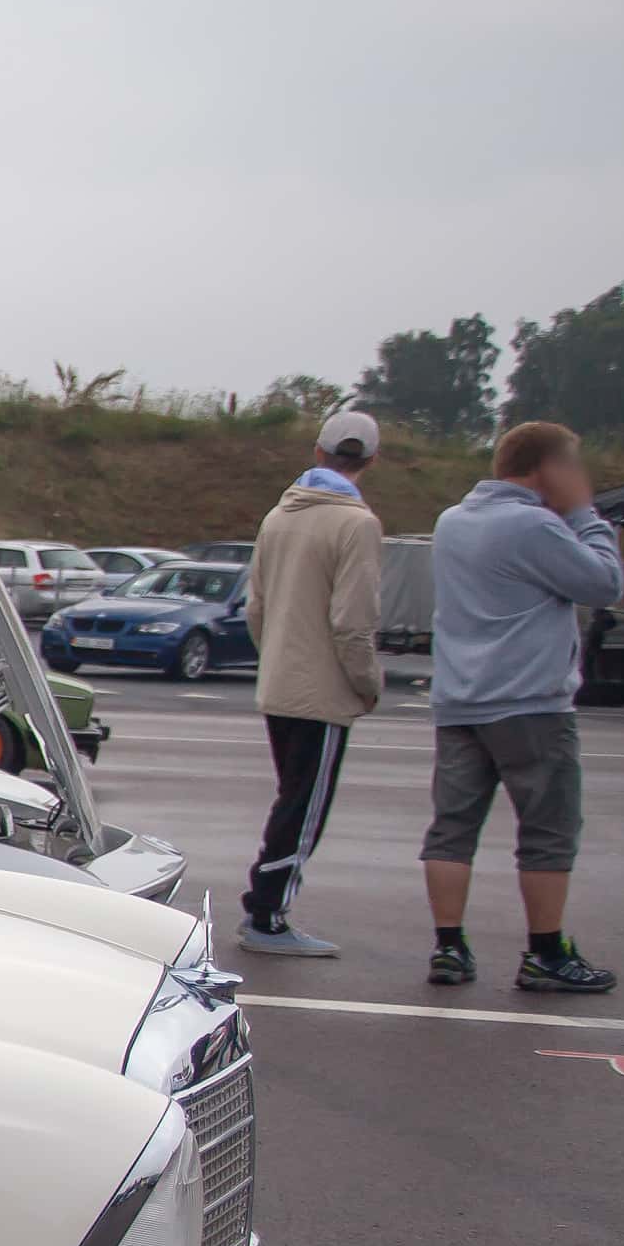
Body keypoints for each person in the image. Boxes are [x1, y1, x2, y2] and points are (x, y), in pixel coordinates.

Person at [422, 419, 623, 992]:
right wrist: (584, 515)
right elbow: (605, 583)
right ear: (546, 469)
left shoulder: (452, 521)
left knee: (452, 828)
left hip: (460, 701)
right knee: (549, 830)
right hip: (530, 703)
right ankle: (546, 953)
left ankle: (450, 948)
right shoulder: (534, 526)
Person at [234, 408, 387, 956]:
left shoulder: (279, 516)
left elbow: (257, 608)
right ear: (369, 461)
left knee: (290, 798)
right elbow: (352, 623)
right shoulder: (358, 524)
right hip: (323, 690)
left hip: (279, 680)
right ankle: (267, 912)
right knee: (304, 808)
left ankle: (265, 907)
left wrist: (274, 655)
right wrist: (367, 683)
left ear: (318, 453)